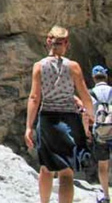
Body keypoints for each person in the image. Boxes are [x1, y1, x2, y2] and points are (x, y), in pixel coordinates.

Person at [24, 26, 94, 203]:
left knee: (46, 168)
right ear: (66, 44)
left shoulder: (39, 67)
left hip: (47, 119)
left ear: (48, 41)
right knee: (66, 172)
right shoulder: (73, 67)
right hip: (70, 120)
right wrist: (92, 116)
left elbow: (34, 97)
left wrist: (28, 127)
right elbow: (85, 95)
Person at [90, 65, 112, 203]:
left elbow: (87, 114)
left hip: (100, 132)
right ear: (106, 76)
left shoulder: (90, 93)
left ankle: (106, 196)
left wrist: (86, 130)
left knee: (103, 165)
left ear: (93, 77)